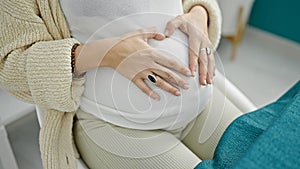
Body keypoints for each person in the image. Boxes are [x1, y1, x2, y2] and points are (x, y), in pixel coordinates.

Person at [0, 0, 243, 168]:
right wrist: (109, 53)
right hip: (114, 124)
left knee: (270, 155)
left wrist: (200, 15)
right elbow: (10, 67)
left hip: (201, 102)